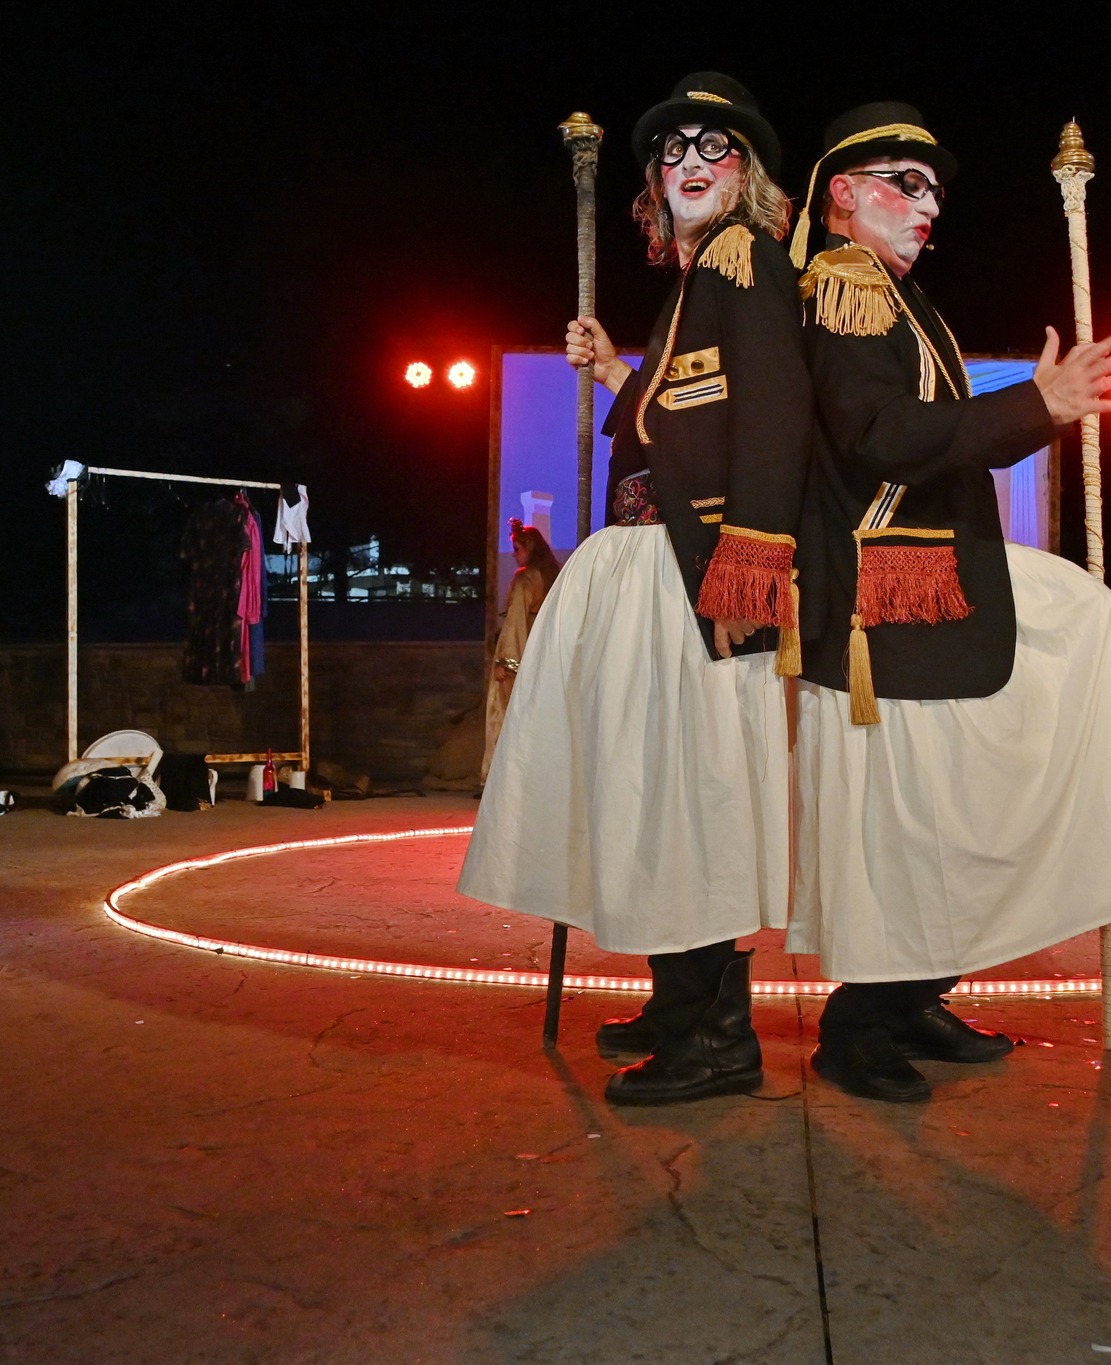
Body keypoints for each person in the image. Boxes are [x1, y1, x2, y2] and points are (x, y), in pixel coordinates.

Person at [785, 104, 1111, 1102]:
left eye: (934, 192)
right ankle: (859, 1024)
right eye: (905, 184)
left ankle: (917, 992)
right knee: (907, 822)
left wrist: (1034, 410)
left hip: (934, 576)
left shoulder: (900, 299)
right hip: (883, 596)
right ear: (843, 192)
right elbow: (882, 439)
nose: (927, 206)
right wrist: (1037, 406)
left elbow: (925, 433)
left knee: (1078, 623)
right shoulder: (844, 287)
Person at [458, 73, 813, 1105]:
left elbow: (776, 415)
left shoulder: (744, 259)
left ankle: (718, 1039)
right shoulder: (696, 283)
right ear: (654, 182)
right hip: (657, 568)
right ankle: (678, 1006)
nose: (688, 161)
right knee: (654, 792)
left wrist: (749, 563)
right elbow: (683, 422)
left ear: (749, 173)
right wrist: (620, 370)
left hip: (697, 577)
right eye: (671, 149)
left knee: (689, 802)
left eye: (714, 145)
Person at [480, 519, 560, 786]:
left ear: (530, 549)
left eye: (517, 549)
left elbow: (515, 620)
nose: (514, 555)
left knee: (506, 715)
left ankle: (502, 782)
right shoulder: (554, 576)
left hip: (523, 650)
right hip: (547, 652)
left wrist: (507, 661)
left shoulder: (525, 577)